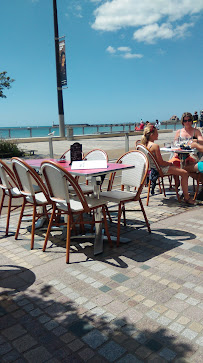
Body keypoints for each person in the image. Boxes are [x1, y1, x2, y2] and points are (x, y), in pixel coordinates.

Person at [141, 124, 195, 204]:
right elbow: (161, 162)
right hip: (159, 169)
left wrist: (170, 163)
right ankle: (186, 197)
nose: (158, 134)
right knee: (184, 173)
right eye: (156, 133)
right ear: (152, 135)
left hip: (152, 169)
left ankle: (178, 188)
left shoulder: (144, 145)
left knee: (176, 166)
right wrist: (169, 163)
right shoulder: (155, 146)